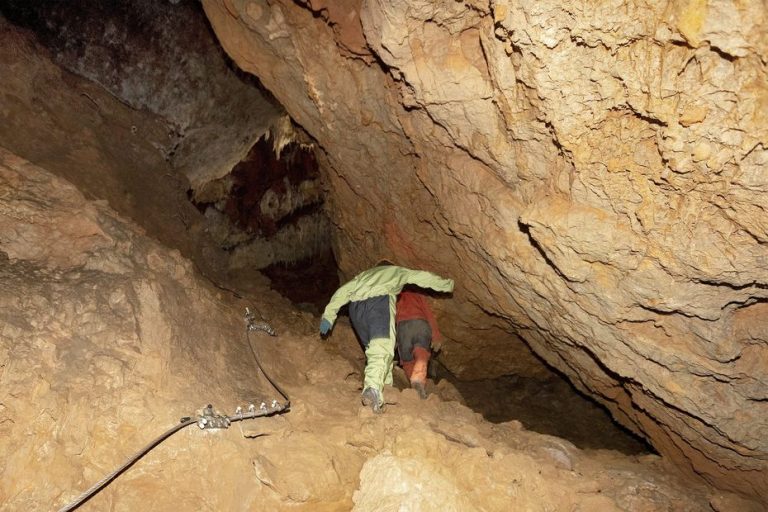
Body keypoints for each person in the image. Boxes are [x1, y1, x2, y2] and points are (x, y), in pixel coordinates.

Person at [319, 262, 453, 413]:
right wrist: (445, 284)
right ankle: (373, 389)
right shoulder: (394, 271)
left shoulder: (363, 276)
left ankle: (386, 388)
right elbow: (419, 276)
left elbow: (343, 292)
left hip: (356, 310)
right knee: (382, 347)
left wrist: (329, 316)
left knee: (376, 349)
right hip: (379, 302)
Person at [395, 287, 442, 399]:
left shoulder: (395, 295)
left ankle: (415, 389)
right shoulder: (417, 293)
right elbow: (428, 313)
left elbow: (391, 315)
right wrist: (436, 336)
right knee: (421, 353)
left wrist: (393, 340)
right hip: (419, 323)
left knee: (407, 361)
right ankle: (418, 380)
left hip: (402, 327)